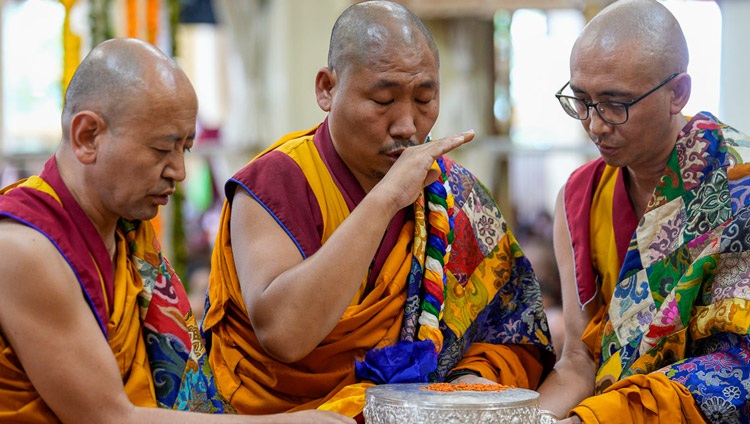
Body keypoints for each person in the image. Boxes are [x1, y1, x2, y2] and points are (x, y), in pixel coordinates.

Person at [202, 0, 555, 419]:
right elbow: (284, 333)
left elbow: (516, 328)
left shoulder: (451, 194)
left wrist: (470, 379)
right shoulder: (276, 181)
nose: (407, 125)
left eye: (425, 99)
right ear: (326, 89)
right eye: (384, 100)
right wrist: (386, 199)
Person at [0, 37, 352, 424]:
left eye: (183, 149)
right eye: (161, 149)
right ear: (88, 137)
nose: (178, 172)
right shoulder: (25, 249)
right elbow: (108, 419)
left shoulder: (125, 232)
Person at [536, 1, 750, 422]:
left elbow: (738, 365)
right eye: (581, 101)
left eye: (616, 104)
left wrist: (598, 417)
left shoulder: (737, 185)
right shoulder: (579, 197)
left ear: (678, 93)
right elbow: (577, 360)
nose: (596, 125)